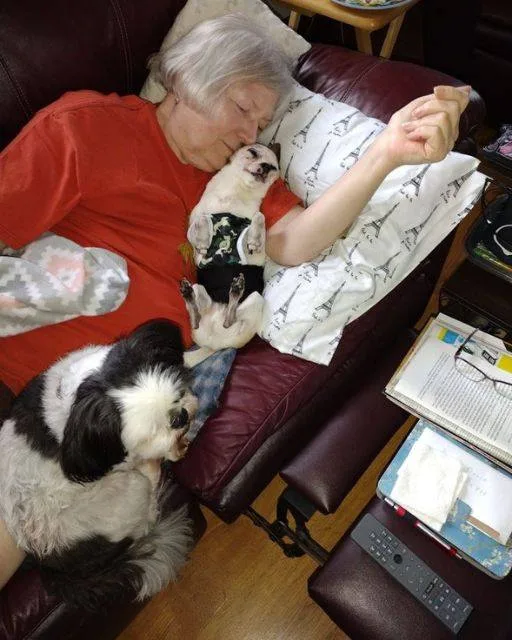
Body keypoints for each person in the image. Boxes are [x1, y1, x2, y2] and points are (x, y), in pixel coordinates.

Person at [0, 13, 470, 589]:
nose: (252, 134)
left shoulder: (238, 177)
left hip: (127, 412)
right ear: (189, 81)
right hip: (35, 398)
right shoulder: (83, 129)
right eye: (243, 108)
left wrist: (388, 153)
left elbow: (293, 241)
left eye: (263, 123)